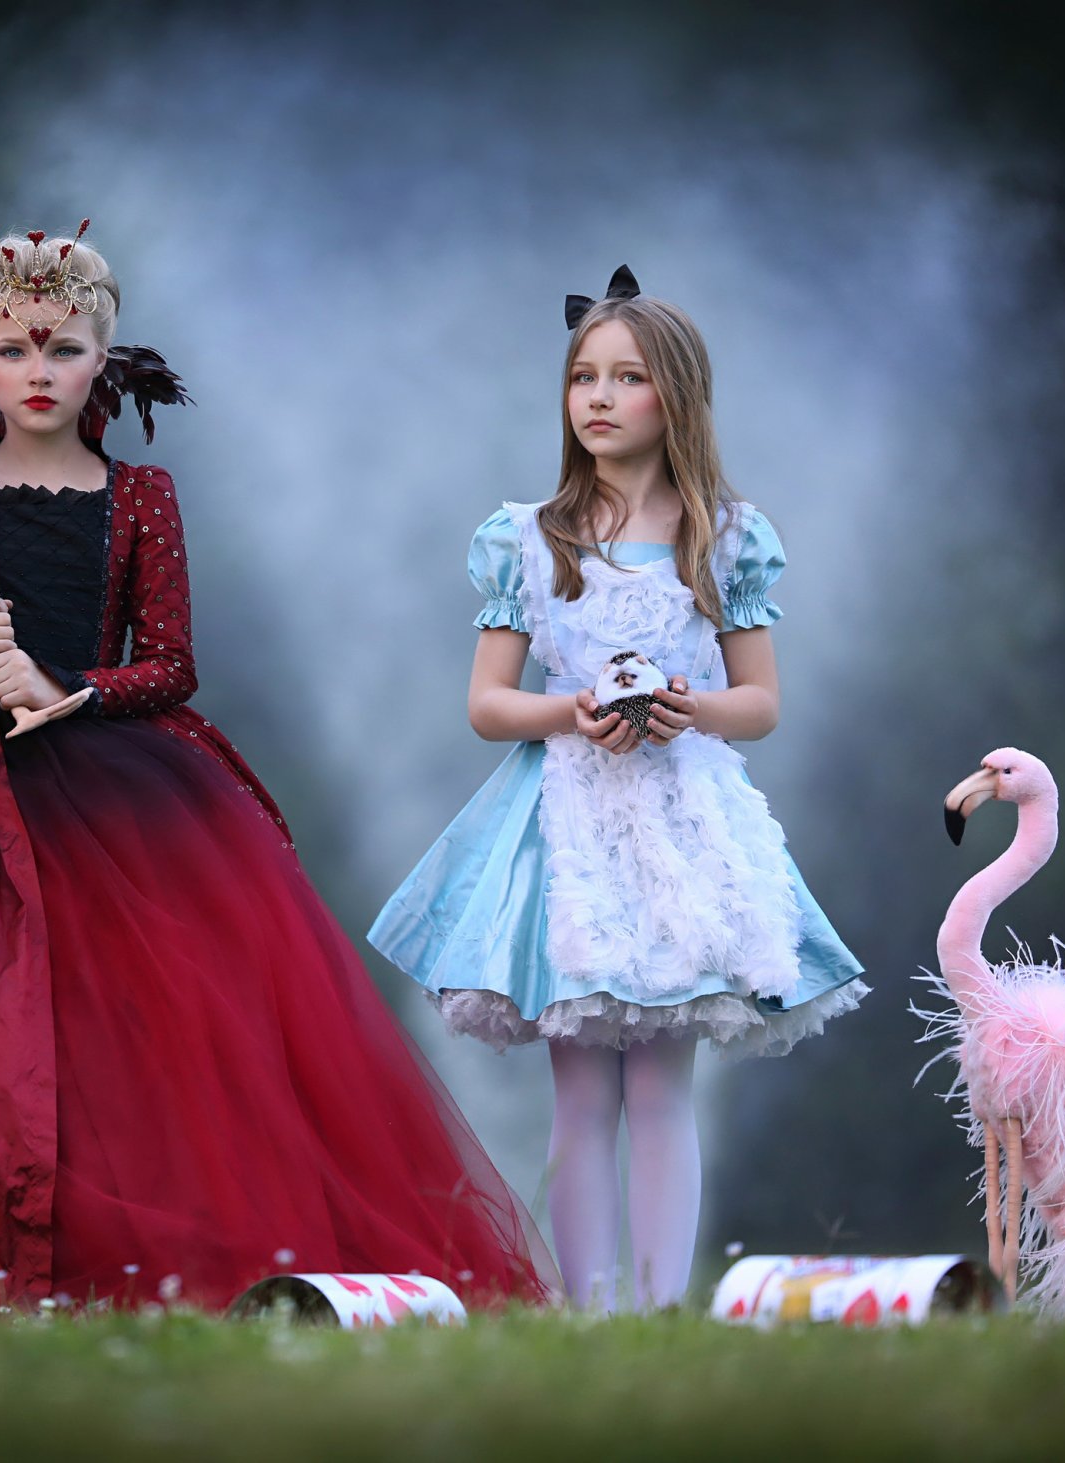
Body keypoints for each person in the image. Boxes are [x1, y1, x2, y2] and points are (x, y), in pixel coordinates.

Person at [0, 222, 555, 1309]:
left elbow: (169, 664)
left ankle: (123, 1255)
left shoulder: (143, 496)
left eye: (63, 349)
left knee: (138, 1036)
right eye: (13, 349)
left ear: (101, 361)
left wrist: (69, 687)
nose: (38, 371)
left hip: (118, 794)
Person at [368, 266, 866, 1312]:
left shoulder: (723, 534)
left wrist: (691, 705)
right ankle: (592, 1312)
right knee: (584, 1089)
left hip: (682, 826)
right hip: (569, 830)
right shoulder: (529, 535)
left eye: (627, 377)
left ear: (675, 396)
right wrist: (573, 709)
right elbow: (489, 703)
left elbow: (761, 701)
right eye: (582, 376)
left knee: (662, 1084)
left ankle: (658, 1307)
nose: (598, 397)